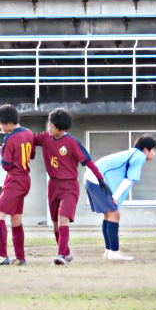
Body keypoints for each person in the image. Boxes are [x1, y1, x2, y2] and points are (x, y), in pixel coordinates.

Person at [34, 108, 111, 266]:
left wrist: (101, 179)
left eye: (52, 125)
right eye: (48, 124)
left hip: (69, 186)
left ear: (61, 128)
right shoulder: (45, 138)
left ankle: (61, 255)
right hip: (53, 185)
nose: (49, 128)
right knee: (55, 224)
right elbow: (29, 140)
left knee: (63, 219)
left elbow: (88, 162)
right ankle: (67, 252)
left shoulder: (72, 143)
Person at [84, 135, 156, 262]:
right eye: (154, 150)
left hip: (91, 178)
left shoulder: (133, 153)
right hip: (97, 180)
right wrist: (116, 197)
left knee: (109, 215)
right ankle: (114, 252)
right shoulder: (139, 156)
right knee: (114, 214)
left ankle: (109, 251)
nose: (154, 154)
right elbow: (129, 179)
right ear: (146, 150)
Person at [0, 104, 35, 266]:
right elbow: (32, 155)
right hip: (25, 179)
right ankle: (20, 258)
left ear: (6, 123)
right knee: (16, 219)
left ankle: (2, 256)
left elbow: (6, 164)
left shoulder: (10, 138)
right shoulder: (28, 133)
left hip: (15, 180)